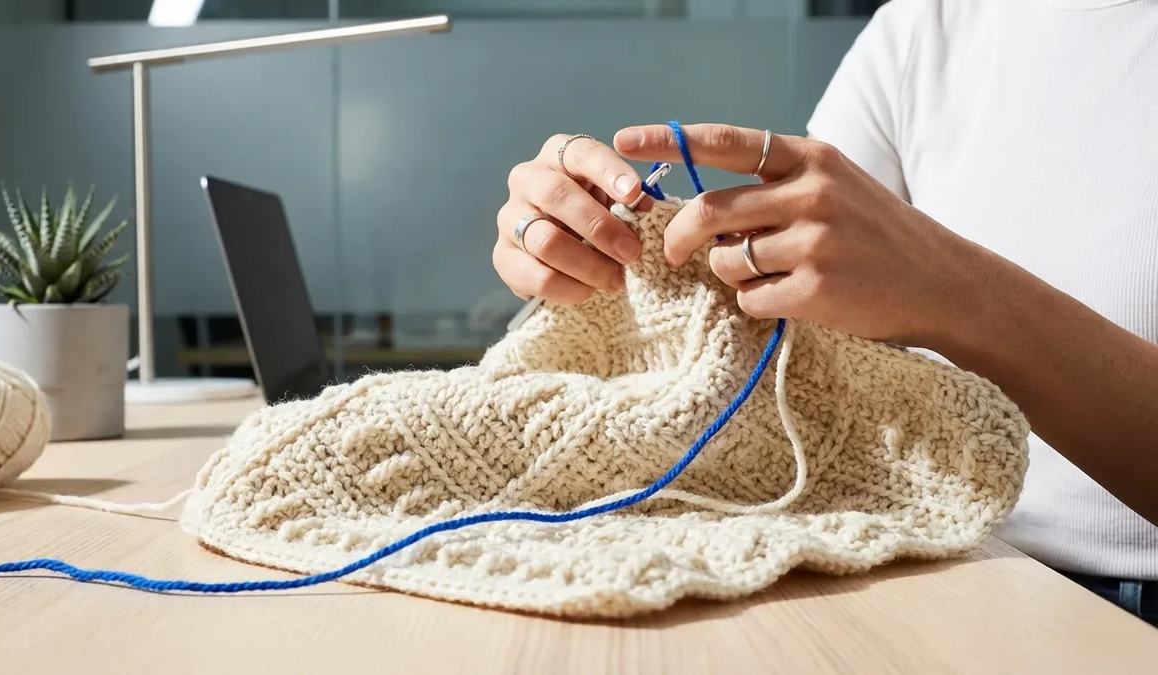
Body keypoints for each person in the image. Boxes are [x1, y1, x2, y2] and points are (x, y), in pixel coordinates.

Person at [491, 0, 1158, 626]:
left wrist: (953, 288)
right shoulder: (927, 27)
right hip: (933, 573)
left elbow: (905, 273)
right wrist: (595, 258)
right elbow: (794, 356)